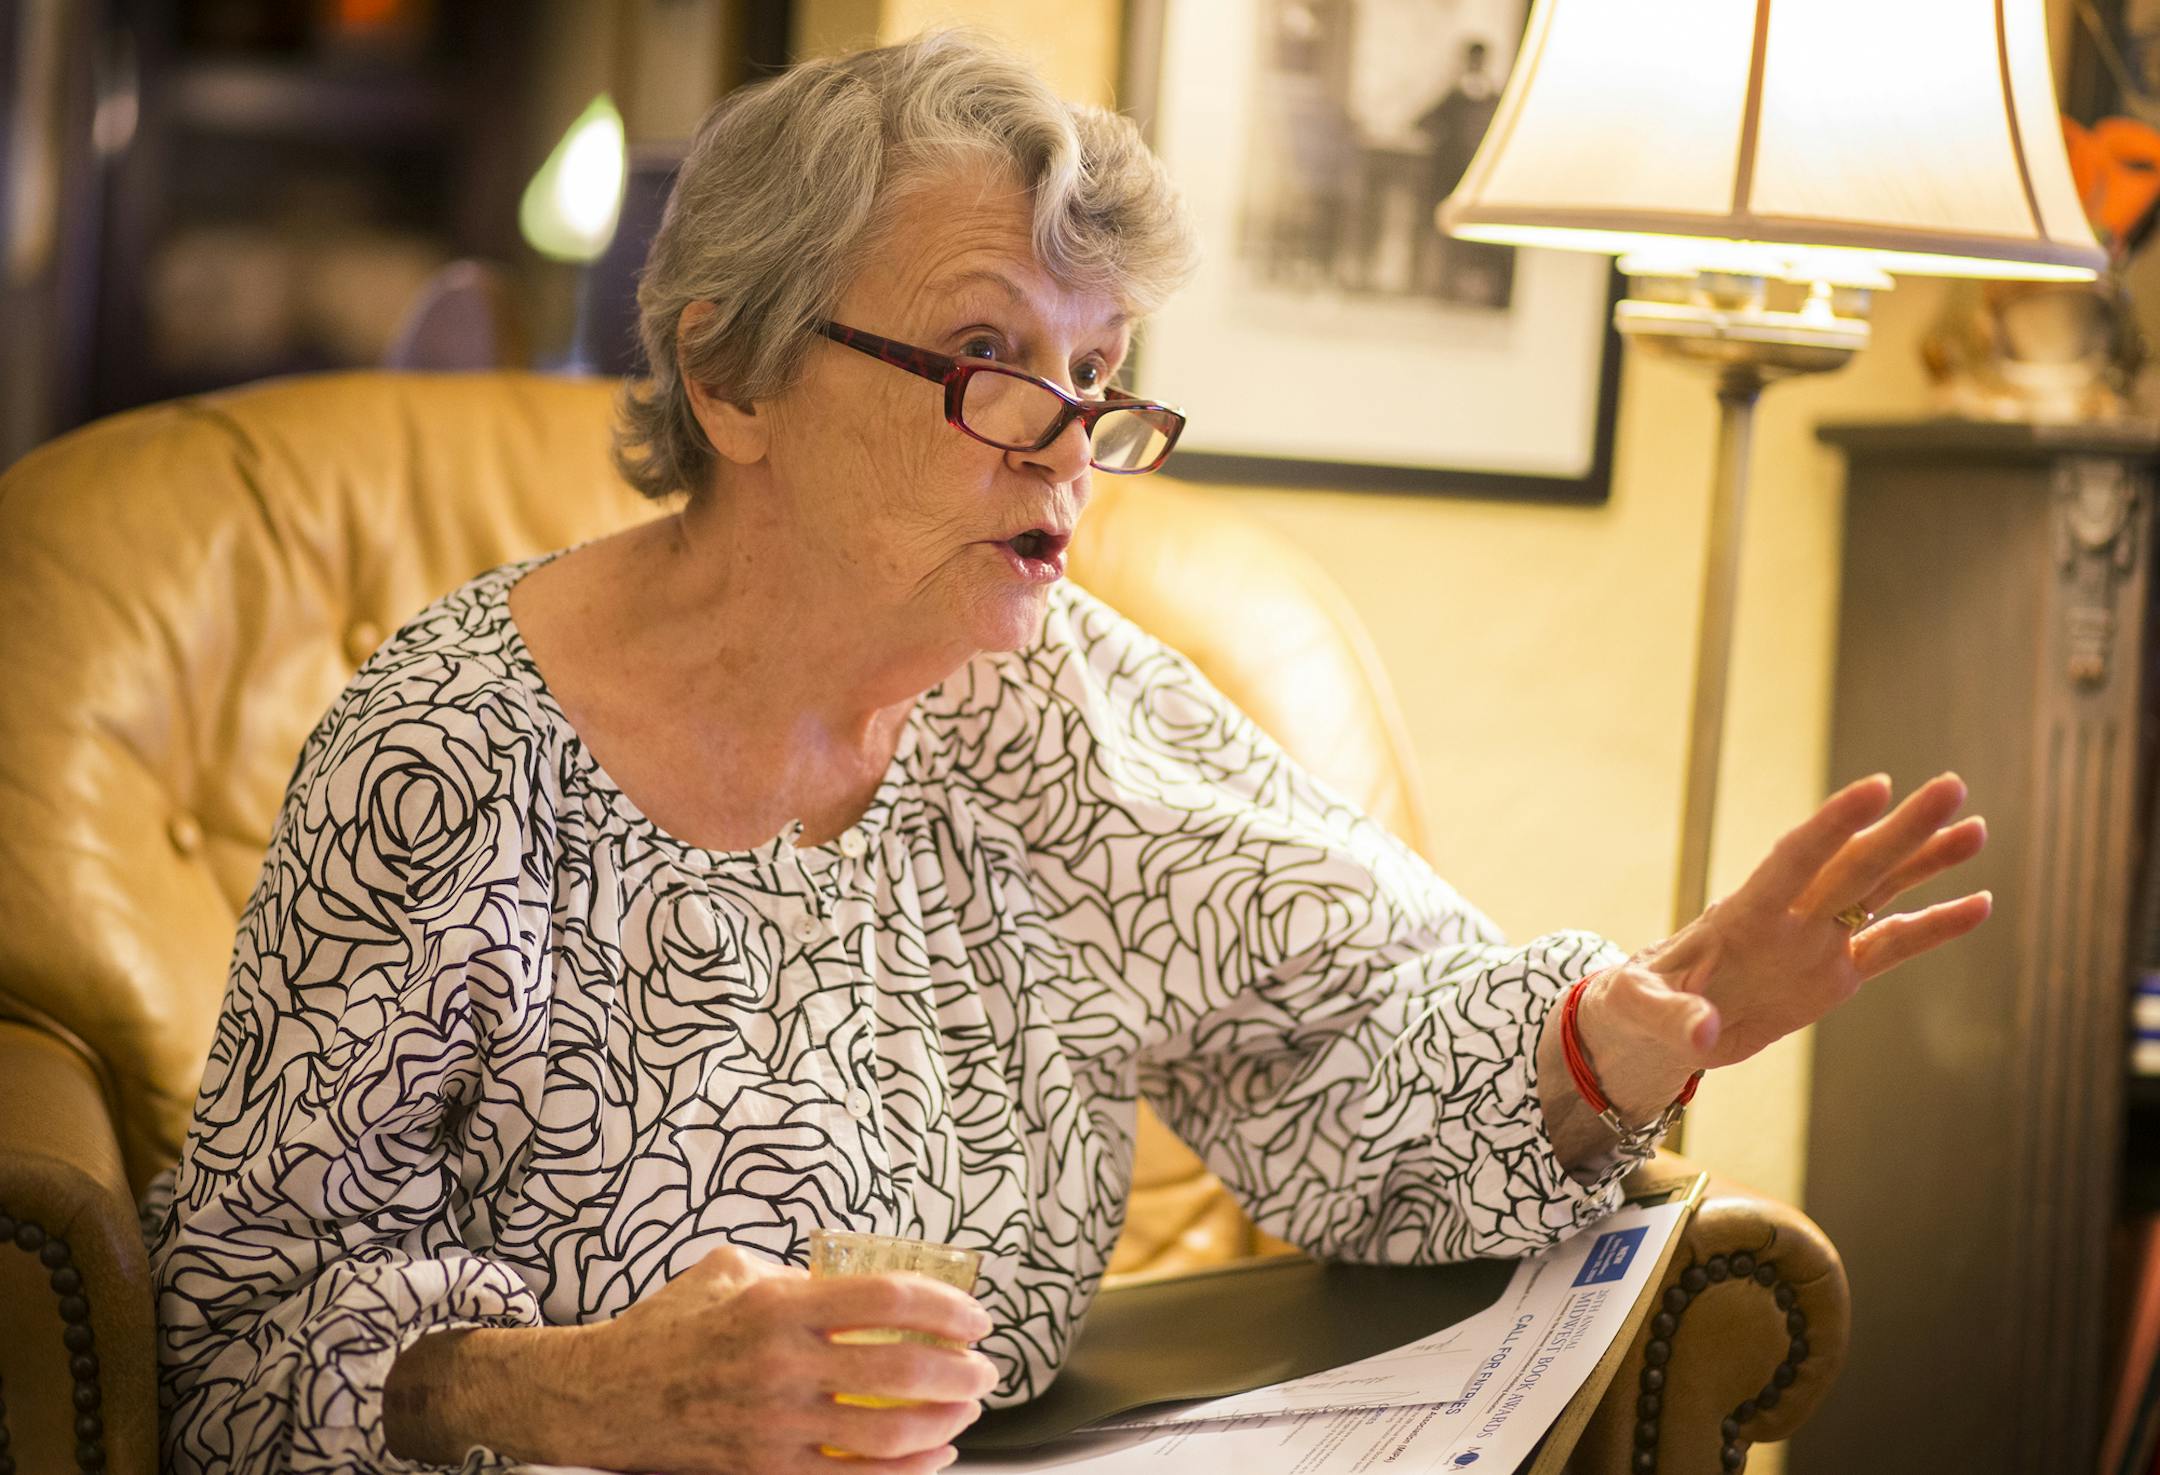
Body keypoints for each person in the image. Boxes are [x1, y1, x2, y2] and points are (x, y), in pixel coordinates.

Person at [146, 31, 1992, 1475]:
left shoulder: (1063, 709)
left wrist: (1617, 1036)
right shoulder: (447, 755)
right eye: (990, 359)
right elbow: (233, 1355)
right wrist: (583, 1396)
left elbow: (1347, 1041)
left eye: (1099, 380)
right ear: (732, 377)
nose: (1069, 452)